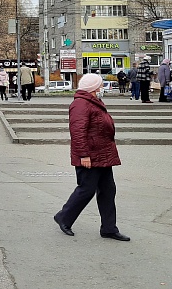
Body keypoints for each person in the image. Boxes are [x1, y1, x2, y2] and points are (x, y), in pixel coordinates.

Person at [53, 74, 129, 242]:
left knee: (108, 191)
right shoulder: (80, 104)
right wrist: (83, 155)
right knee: (86, 190)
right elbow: (78, 132)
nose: (102, 89)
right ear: (93, 88)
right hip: (90, 155)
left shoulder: (92, 102)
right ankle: (64, 217)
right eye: (100, 86)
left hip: (103, 154)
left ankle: (109, 228)